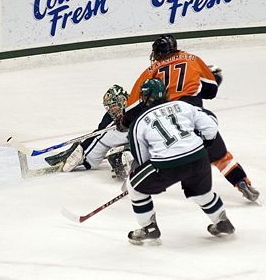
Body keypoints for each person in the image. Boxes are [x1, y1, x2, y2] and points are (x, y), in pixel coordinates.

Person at [121, 34, 259, 202]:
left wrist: (125, 121)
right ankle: (241, 181)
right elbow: (211, 90)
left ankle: (139, 180)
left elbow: (132, 107)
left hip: (169, 115)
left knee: (157, 148)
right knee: (220, 155)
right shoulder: (192, 59)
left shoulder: (152, 69)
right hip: (194, 112)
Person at [126, 78, 234, 245]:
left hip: (166, 166)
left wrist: (141, 176)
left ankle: (149, 228)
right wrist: (201, 145)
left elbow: (142, 159)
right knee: (201, 192)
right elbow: (211, 127)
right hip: (199, 158)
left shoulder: (139, 122)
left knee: (134, 187)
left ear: (146, 97)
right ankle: (223, 223)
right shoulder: (184, 106)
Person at [45, 84, 132, 180]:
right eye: (109, 107)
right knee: (115, 155)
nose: (111, 110)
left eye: (113, 106)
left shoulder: (138, 106)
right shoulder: (110, 118)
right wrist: (82, 150)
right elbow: (98, 135)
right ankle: (84, 157)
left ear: (122, 101)